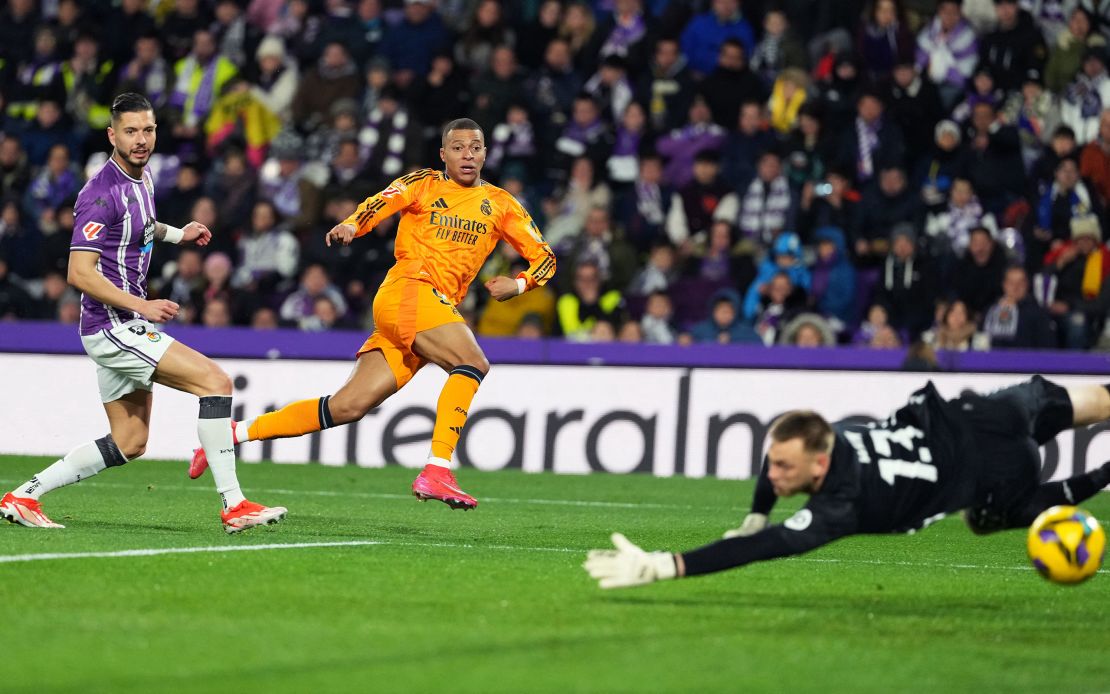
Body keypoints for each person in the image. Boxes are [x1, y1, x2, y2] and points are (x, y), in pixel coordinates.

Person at [190, 118, 556, 510]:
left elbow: (545, 258)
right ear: (443, 154)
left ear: (485, 153)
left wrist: (518, 285)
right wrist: (352, 225)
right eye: (458, 147)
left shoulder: (501, 204)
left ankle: (232, 434)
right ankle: (437, 469)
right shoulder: (424, 183)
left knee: (347, 406)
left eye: (476, 147)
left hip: (427, 312)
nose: (468, 155)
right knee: (472, 363)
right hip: (409, 291)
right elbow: (381, 202)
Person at [0, 93, 285, 532]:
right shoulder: (100, 194)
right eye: (130, 131)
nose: (140, 140)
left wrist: (179, 234)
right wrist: (142, 305)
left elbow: (140, 226)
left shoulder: (143, 178)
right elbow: (79, 272)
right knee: (216, 382)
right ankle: (234, 505)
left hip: (120, 323)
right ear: (112, 135)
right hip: (113, 324)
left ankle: (24, 496)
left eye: (147, 130)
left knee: (130, 441)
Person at [585, 376, 1110, 587]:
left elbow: (770, 547)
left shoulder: (843, 504)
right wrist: (754, 514)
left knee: (986, 520)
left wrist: (667, 565)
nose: (773, 476)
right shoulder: (833, 435)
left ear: (819, 465)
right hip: (981, 415)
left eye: (785, 469)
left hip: (997, 475)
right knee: (1095, 402)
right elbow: (780, 464)